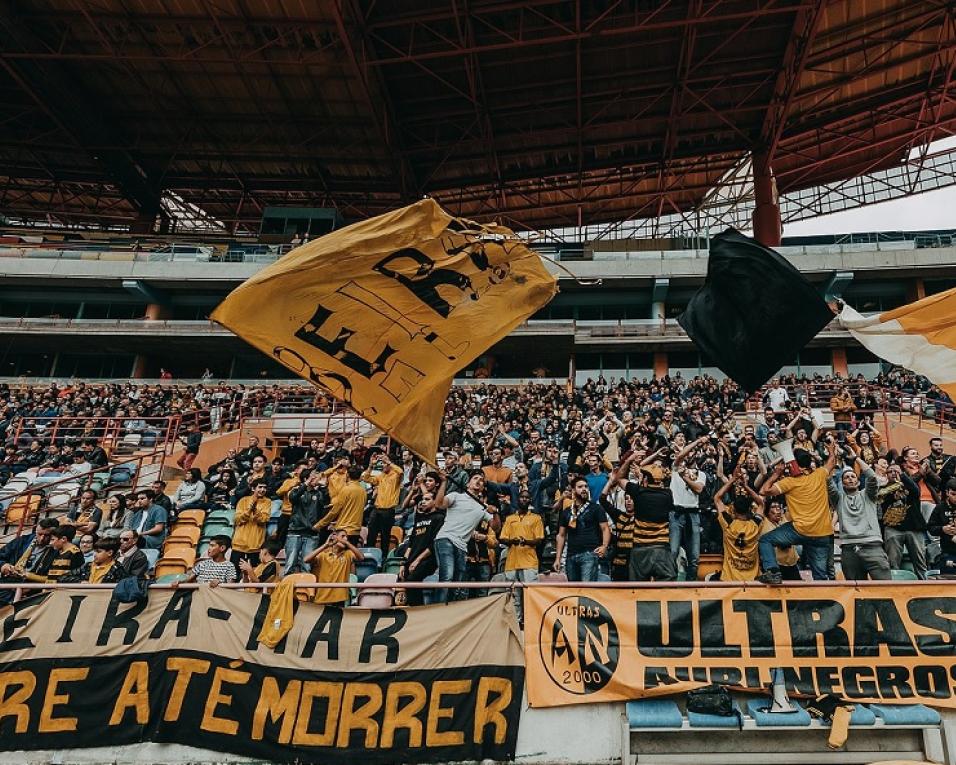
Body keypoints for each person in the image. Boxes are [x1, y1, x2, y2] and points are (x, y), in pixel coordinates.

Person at [758, 440, 838, 583]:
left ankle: (774, 572)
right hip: (823, 533)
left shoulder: (789, 482)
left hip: (800, 530)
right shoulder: (819, 474)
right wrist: (831, 450)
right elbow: (832, 461)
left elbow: (764, 490)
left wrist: (776, 473)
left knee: (765, 540)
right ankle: (823, 603)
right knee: (820, 576)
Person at [828, 445, 890, 580]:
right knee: (856, 592)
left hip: (873, 546)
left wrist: (856, 458)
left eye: (853, 476)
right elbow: (826, 480)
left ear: (857, 481)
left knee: (885, 589)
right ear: (842, 483)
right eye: (846, 477)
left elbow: (872, 477)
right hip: (849, 549)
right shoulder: (838, 498)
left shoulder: (868, 495)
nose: (850, 478)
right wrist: (832, 456)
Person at [433, 471, 496, 602]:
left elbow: (495, 527)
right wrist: (444, 482)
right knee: (447, 577)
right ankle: (438, 610)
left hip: (462, 547)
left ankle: (448, 610)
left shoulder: (483, 508)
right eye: (475, 478)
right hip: (446, 539)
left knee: (457, 584)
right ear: (468, 484)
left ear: (483, 487)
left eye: (482, 480)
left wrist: (495, 513)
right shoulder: (456, 496)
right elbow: (438, 504)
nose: (479, 481)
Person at [499, 488, 544, 624]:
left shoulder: (536, 518)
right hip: (512, 562)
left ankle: (532, 622)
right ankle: (516, 622)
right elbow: (503, 538)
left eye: (526, 497)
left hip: (529, 561)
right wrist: (512, 541)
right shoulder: (510, 519)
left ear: (530, 500)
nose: (524, 499)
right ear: (517, 500)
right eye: (521, 497)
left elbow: (539, 539)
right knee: (513, 595)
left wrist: (526, 542)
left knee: (531, 593)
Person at [554, 476, 610, 582]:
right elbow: (561, 535)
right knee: (574, 590)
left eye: (586, 486)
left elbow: (605, 529)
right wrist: (558, 558)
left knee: (586, 589)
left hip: (589, 554)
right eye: (580, 487)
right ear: (573, 490)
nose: (584, 489)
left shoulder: (595, 508)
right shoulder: (566, 511)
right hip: (571, 555)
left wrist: (604, 546)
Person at [879, 463, 927, 578]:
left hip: (914, 528)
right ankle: (894, 586)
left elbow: (916, 492)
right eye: (890, 471)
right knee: (892, 562)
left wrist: (903, 476)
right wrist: (893, 496)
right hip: (893, 528)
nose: (893, 473)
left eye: (896, 471)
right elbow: (882, 501)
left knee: (920, 562)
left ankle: (924, 586)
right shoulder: (883, 489)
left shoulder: (910, 484)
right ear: (886, 475)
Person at [714, 476, 763, 581]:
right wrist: (746, 486)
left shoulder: (728, 523)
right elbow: (761, 504)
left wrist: (732, 480)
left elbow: (717, 498)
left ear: (733, 510)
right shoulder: (755, 525)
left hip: (730, 579)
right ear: (750, 510)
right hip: (752, 579)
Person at [0, 518, 57, 603]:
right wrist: (3, 565)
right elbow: (1, 555)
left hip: (31, 592)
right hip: (7, 584)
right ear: (36, 531)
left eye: (47, 535)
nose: (42, 538)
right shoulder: (23, 540)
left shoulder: (56, 550)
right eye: (39, 534)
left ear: (54, 535)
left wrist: (33, 588)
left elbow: (53, 578)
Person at [284, 470, 327, 574]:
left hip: (312, 534)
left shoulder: (319, 493)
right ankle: (287, 588)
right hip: (295, 531)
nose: (317, 479)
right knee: (290, 564)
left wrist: (324, 487)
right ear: (306, 478)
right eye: (314, 477)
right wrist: (306, 484)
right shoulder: (296, 490)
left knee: (307, 567)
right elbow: (293, 498)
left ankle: (305, 589)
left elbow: (326, 505)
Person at [304, 530, 364, 605]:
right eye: (342, 536)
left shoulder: (348, 554)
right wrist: (326, 545)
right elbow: (306, 560)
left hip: (340, 598)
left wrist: (347, 544)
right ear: (334, 536)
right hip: (321, 598)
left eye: (346, 537)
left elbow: (361, 557)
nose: (345, 539)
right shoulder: (323, 555)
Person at [314, 465, 366, 546]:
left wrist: (320, 524)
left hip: (343, 531)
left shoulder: (346, 490)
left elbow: (335, 511)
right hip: (356, 530)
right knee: (350, 557)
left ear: (347, 475)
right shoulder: (363, 491)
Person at [362, 453, 403, 557]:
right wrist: (371, 465)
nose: (382, 465)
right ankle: (369, 555)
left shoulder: (396, 475)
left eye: (384, 464)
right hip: (376, 509)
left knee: (385, 537)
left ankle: (383, 558)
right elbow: (366, 478)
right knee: (371, 535)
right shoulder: (381, 476)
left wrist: (388, 461)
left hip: (388, 510)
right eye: (382, 464)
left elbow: (401, 472)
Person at [232, 480, 272, 570]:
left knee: (254, 573)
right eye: (260, 487)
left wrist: (255, 510)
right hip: (239, 545)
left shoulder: (267, 502)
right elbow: (237, 519)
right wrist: (249, 509)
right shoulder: (243, 500)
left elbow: (264, 519)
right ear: (253, 488)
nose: (263, 490)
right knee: (234, 573)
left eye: (264, 488)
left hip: (256, 546)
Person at [759, 499, 801, 581]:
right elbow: (760, 502)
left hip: (791, 564)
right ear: (767, 511)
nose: (778, 509)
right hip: (776, 565)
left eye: (779, 507)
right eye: (773, 507)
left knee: (796, 590)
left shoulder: (785, 519)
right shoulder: (763, 522)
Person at [61, 538, 127, 584]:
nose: (94, 554)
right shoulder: (87, 566)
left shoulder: (118, 568)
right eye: (94, 551)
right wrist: (80, 582)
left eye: (98, 552)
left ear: (110, 553)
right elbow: (62, 578)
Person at [928, 479, 956, 574]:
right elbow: (931, 528)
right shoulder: (940, 508)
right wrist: (942, 529)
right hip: (948, 552)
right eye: (953, 494)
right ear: (947, 492)